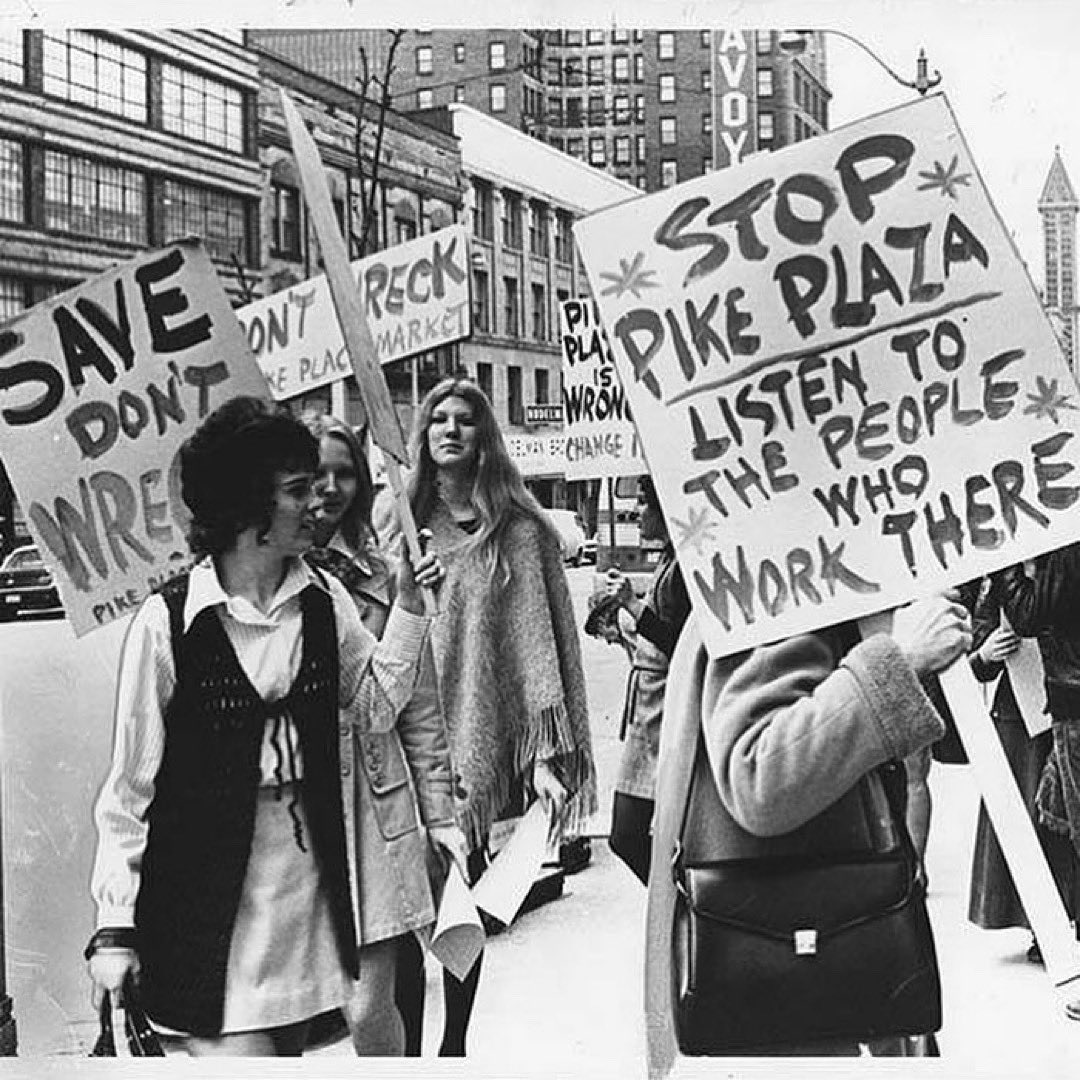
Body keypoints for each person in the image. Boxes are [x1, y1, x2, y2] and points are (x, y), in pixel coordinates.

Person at [85, 396, 442, 1056]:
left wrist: (412, 610)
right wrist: (115, 927)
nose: (319, 503)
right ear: (250, 506)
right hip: (209, 913)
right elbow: (128, 795)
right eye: (298, 490)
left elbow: (375, 707)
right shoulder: (170, 626)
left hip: (306, 904)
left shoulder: (322, 599)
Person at [647, 590, 972, 1062]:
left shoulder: (796, 573)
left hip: (814, 969)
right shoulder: (784, 583)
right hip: (805, 987)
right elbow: (760, 774)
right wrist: (900, 659)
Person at [381, 375, 596, 1057]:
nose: (450, 429)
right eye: (437, 418)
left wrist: (542, 761)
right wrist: (407, 582)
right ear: (421, 435)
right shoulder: (402, 522)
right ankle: (411, 1048)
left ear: (484, 436)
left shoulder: (521, 528)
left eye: (465, 419)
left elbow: (535, 649)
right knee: (406, 911)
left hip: (469, 736)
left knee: (456, 899)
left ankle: (454, 1047)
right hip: (400, 730)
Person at [302, 411, 467, 1055]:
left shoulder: (387, 572)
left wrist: (439, 817)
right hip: (301, 807)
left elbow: (415, 707)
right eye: (317, 473)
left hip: (374, 805)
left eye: (346, 473)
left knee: (381, 996)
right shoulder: (270, 572)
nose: (331, 488)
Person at [966, 570, 1075, 963]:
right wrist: (984, 653)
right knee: (1027, 818)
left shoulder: (1062, 562)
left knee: (1061, 822)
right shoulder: (998, 574)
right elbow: (976, 649)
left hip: (1063, 700)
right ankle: (1041, 922)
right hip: (1021, 707)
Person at [998, 549, 1080, 1002]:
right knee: (1055, 809)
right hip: (1068, 699)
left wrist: (1004, 558)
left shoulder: (1067, 543)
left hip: (1074, 702)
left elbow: (1029, 614)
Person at [601, 474, 691, 885]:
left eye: (644, 503)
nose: (636, 512)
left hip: (663, 717)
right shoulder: (670, 559)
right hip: (649, 712)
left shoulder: (685, 567)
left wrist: (632, 606)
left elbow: (678, 644)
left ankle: (678, 905)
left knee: (628, 832)